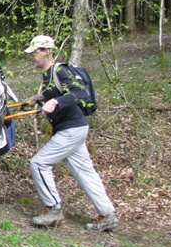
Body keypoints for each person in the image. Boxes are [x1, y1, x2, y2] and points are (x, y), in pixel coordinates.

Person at [24, 35, 119, 232]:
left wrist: (56, 102)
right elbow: (57, 92)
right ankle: (108, 215)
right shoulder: (48, 75)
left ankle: (54, 209)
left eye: (35, 52)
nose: (32, 56)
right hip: (74, 128)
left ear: (47, 51)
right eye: (31, 53)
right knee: (85, 172)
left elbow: (80, 93)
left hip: (71, 128)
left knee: (39, 163)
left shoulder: (60, 70)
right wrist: (41, 97)